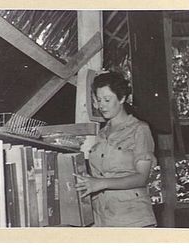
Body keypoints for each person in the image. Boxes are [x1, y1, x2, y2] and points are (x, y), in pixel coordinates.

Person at [75, 71, 157, 227]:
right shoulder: (102, 133)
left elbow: (142, 177)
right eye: (98, 100)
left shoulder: (140, 129)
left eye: (107, 99)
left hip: (133, 220)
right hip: (102, 220)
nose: (101, 106)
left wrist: (101, 183)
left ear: (122, 98)